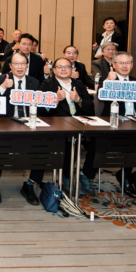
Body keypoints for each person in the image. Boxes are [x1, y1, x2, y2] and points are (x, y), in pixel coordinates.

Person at [99, 52, 136, 199]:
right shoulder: (107, 80)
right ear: (113, 65)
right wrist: (108, 81)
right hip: (115, 123)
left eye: (128, 63)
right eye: (121, 63)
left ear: (132, 65)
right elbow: (101, 95)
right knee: (131, 142)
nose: (124, 66)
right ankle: (125, 178)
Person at [39, 57, 97, 195]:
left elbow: (90, 109)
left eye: (67, 66)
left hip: (80, 124)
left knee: (98, 143)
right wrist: (56, 100)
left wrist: (79, 100)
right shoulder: (47, 84)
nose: (63, 69)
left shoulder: (79, 84)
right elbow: (41, 111)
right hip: (58, 126)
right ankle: (66, 176)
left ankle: (85, 174)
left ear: (72, 70)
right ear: (54, 70)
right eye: (60, 67)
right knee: (68, 144)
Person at [0, 52, 41, 205]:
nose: (20, 67)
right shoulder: (2, 79)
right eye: (16, 64)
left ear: (27, 66)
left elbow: (41, 105)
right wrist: (2, 87)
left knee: (42, 148)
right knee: (0, 148)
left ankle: (29, 184)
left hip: (29, 123)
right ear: (10, 66)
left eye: (23, 64)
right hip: (6, 123)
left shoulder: (34, 82)